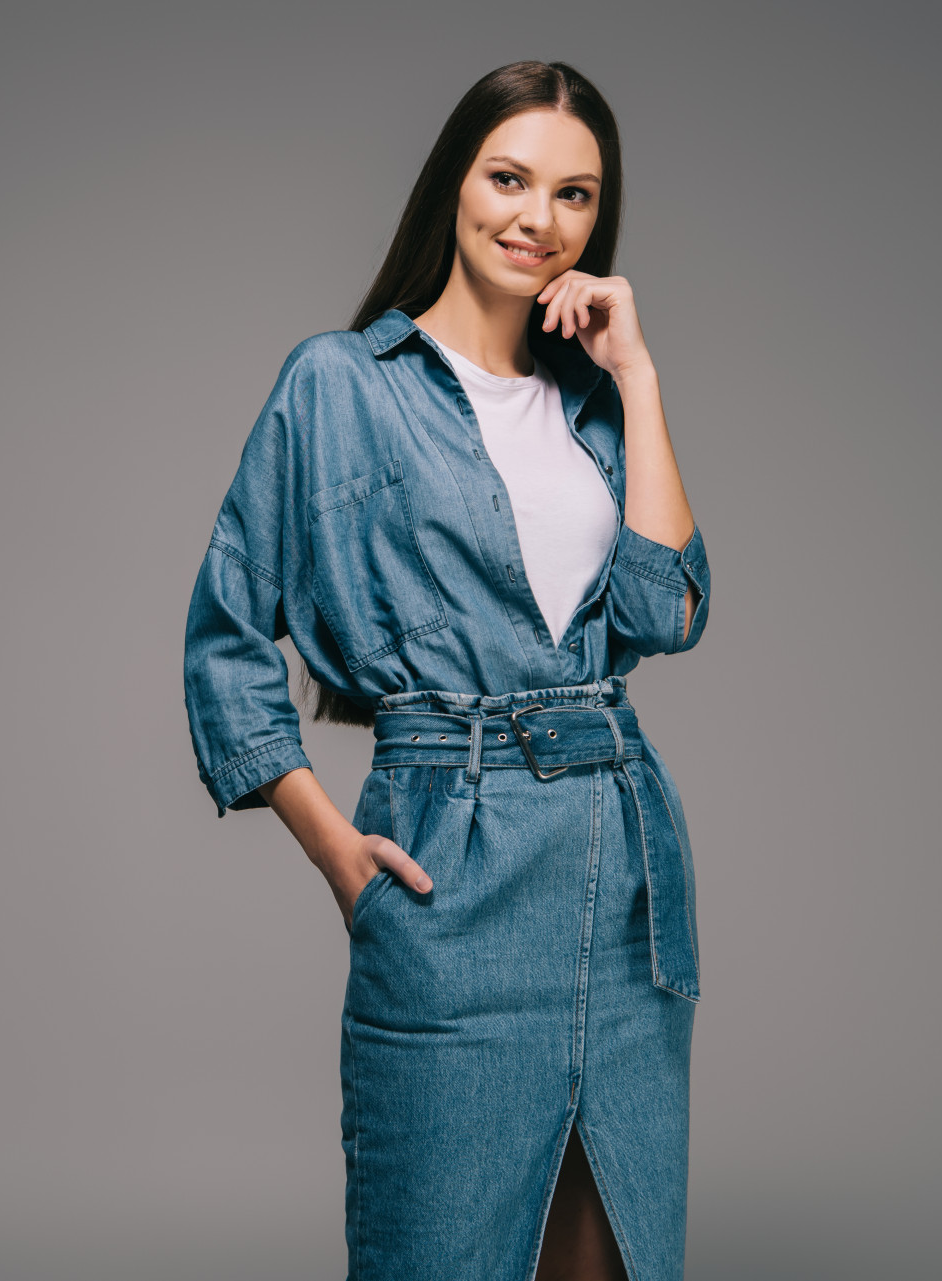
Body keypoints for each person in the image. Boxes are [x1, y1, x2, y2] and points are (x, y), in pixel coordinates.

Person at [183, 60, 710, 1281]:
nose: (540, 219)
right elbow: (224, 633)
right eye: (510, 179)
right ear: (453, 187)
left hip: (619, 879)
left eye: (576, 195)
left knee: (607, 1261)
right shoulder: (338, 386)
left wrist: (638, 376)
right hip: (448, 869)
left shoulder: (592, 405)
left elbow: (667, 607)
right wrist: (330, 843)